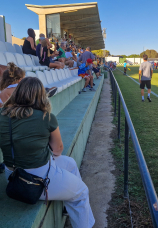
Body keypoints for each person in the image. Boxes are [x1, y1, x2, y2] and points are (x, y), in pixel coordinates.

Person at [0, 77, 95, 228]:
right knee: (82, 192)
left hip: (11, 175)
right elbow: (58, 149)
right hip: (35, 179)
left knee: (69, 163)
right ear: (40, 95)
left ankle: (68, 207)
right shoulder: (46, 117)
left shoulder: (2, 115)